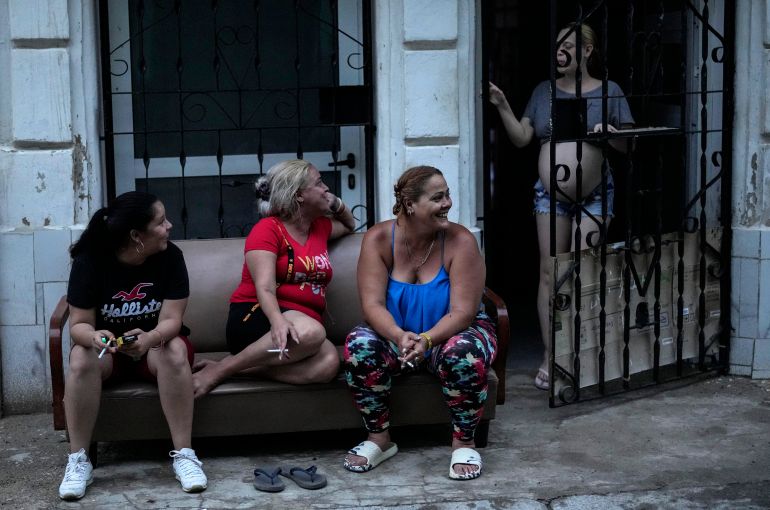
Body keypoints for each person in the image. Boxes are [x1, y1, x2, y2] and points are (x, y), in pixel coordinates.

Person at [489, 22, 634, 390]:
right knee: (551, 273)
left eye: (567, 46)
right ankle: (552, 354)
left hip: (596, 194)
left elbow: (628, 147)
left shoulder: (609, 91)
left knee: (584, 272)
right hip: (549, 196)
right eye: (557, 46)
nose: (560, 53)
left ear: (587, 51)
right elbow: (522, 138)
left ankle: (581, 354)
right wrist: (503, 105)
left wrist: (611, 135)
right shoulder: (544, 92)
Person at [342, 166, 498, 480]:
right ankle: (379, 439)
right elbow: (371, 305)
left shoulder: (461, 241)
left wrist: (426, 340)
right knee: (358, 344)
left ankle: (464, 442)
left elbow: (463, 312)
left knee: (462, 352)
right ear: (410, 205)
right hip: (397, 333)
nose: (448, 203)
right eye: (438, 197)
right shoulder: (378, 239)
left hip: (455, 330)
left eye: (448, 194)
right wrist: (399, 335)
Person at [59, 191, 207, 500]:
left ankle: (184, 454)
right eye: (160, 222)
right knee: (80, 358)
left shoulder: (170, 257)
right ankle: (78, 461)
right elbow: (80, 326)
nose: (169, 226)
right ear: (136, 236)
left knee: (174, 348)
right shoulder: (90, 262)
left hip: (154, 351)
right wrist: (96, 337)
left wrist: (150, 338)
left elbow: (172, 320)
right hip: (108, 354)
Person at [191, 159, 355, 397]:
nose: (326, 188)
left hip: (300, 331)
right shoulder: (268, 229)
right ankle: (221, 371)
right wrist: (278, 321)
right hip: (258, 318)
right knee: (314, 332)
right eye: (319, 183)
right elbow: (264, 287)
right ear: (299, 195)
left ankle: (239, 368)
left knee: (328, 364)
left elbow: (349, 225)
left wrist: (336, 203)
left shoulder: (319, 227)